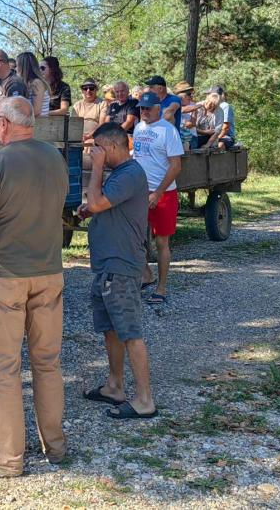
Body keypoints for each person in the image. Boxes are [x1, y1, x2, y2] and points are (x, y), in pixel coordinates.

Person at [0, 97, 69, 476]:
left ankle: (7, 458)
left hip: (6, 276)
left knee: (4, 368)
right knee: (47, 363)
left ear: (4, 124)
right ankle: (55, 446)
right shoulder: (55, 158)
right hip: (49, 272)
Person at [79, 122, 157, 419]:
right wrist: (89, 209)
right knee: (111, 329)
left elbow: (98, 201)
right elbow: (101, 204)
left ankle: (145, 400)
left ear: (112, 147)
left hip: (121, 266)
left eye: (97, 148)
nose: (94, 153)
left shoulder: (130, 173)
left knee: (130, 332)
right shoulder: (121, 175)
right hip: (107, 265)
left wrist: (97, 170)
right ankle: (115, 386)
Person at [131, 92, 183, 306]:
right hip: (140, 192)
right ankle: (146, 275)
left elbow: (176, 166)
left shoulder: (168, 131)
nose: (144, 111)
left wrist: (158, 192)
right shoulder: (138, 128)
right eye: (141, 108)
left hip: (164, 193)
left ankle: (161, 288)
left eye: (148, 108)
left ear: (158, 109)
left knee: (161, 242)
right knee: (135, 237)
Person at [16, 51, 50, 117]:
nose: (15, 69)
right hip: (29, 121)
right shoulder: (26, 84)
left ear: (23, 67)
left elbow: (36, 111)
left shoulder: (37, 83)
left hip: (40, 122)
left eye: (17, 66)